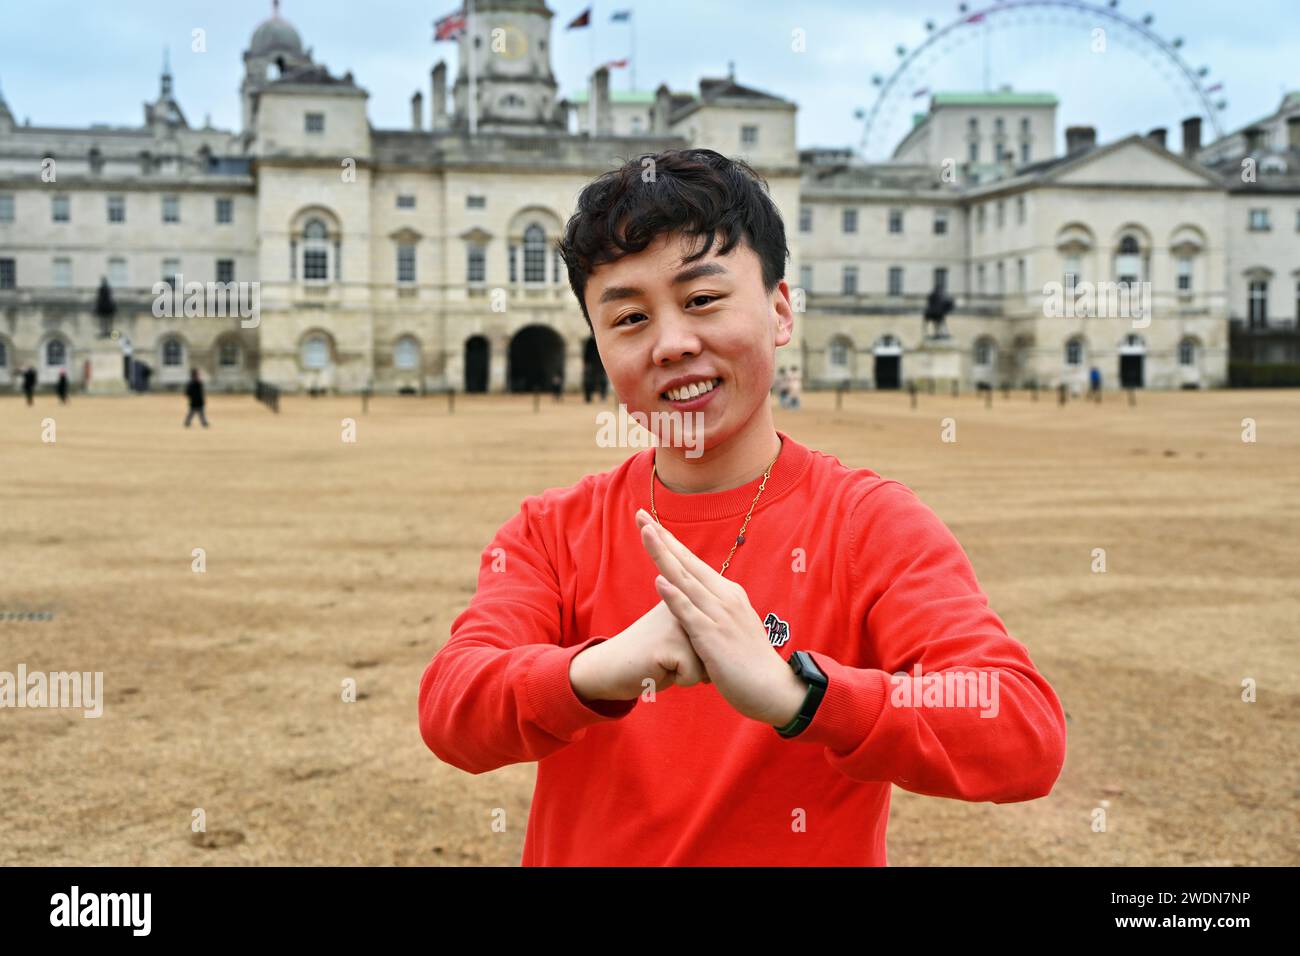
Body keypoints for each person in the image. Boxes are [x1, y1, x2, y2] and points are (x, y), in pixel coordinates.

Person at [418, 148, 1066, 866]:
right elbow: (452, 708)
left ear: (780, 310)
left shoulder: (869, 524)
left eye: (702, 300)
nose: (672, 344)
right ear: (598, 345)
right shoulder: (550, 530)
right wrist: (596, 671)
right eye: (629, 318)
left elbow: (1022, 731)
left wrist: (802, 697)